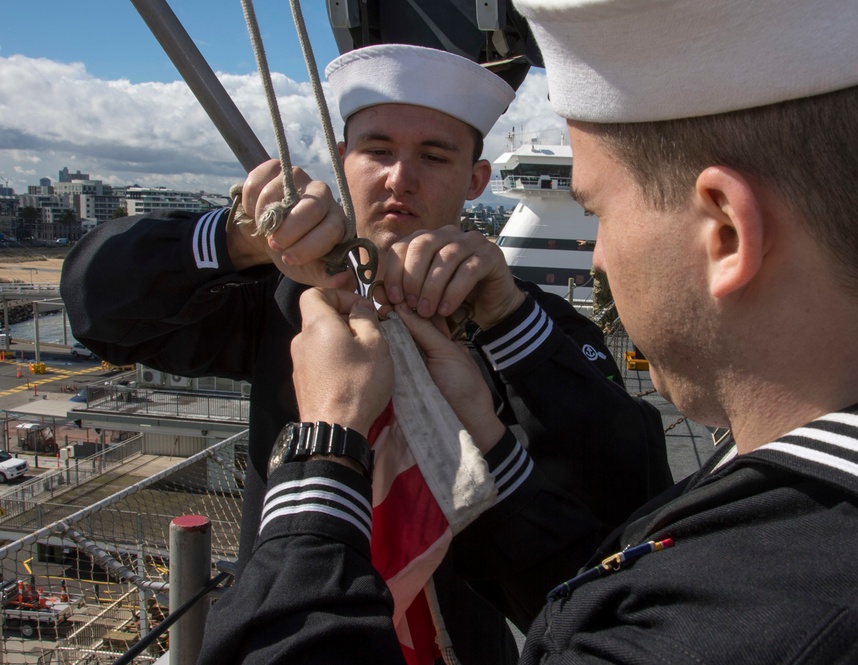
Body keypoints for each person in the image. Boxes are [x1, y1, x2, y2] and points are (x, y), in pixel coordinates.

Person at [194, 0, 858, 662]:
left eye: (597, 211)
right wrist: (488, 433)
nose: (601, 256)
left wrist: (325, 447)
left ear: (724, 230)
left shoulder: (724, 627)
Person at [62, 43, 668, 663]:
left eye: (434, 156)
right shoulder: (287, 299)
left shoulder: (523, 319)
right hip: (300, 616)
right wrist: (238, 236)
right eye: (377, 151)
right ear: (344, 160)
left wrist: (507, 320)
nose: (399, 178)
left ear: (475, 180)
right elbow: (99, 308)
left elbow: (624, 486)